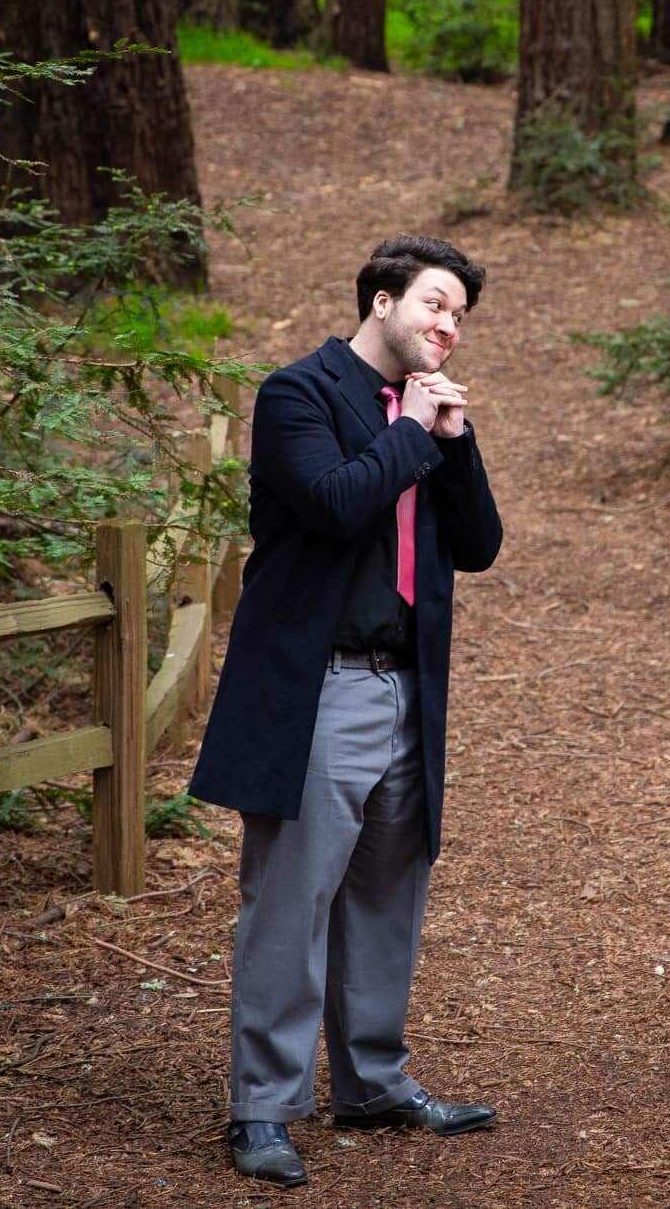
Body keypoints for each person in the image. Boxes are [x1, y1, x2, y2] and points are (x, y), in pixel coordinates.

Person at [188, 236, 505, 1188]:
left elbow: (480, 544)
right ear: (381, 301)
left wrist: (451, 439)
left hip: (410, 685)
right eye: (434, 305)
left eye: (459, 315)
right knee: (292, 897)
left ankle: (371, 1081)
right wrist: (411, 431)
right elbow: (331, 504)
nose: (447, 326)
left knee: (386, 893)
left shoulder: (427, 413)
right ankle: (265, 1106)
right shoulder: (298, 395)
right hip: (318, 687)